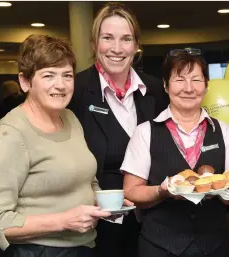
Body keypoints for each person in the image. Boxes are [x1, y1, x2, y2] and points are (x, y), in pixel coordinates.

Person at [0, 34, 113, 257]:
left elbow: (86, 180)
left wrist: (105, 201)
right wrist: (63, 221)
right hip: (36, 251)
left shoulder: (69, 118)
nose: (60, 85)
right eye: (49, 75)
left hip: (83, 247)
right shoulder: (11, 135)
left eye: (67, 75)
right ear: (25, 82)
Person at [67, 3, 169, 257]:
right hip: (97, 228)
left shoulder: (155, 90)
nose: (116, 48)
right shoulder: (75, 91)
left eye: (125, 39)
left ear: (136, 45)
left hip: (153, 222)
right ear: (94, 44)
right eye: (107, 38)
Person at [121, 49, 229, 257]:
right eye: (179, 80)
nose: (189, 88)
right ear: (165, 85)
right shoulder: (145, 132)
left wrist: (222, 189)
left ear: (206, 85)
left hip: (214, 246)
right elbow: (131, 191)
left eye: (196, 80)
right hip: (159, 246)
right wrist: (161, 192)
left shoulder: (224, 131)